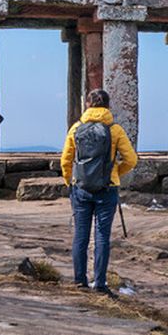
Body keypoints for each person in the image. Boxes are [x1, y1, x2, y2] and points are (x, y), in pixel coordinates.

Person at [60, 88, 138, 294]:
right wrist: (114, 174)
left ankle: (79, 280)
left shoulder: (76, 128)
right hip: (107, 188)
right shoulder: (115, 130)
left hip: (81, 189)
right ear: (108, 106)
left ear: (87, 105)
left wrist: (71, 181)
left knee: (81, 235)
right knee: (102, 236)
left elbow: (66, 160)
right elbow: (131, 159)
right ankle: (100, 283)